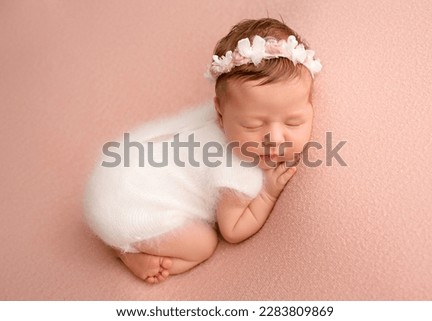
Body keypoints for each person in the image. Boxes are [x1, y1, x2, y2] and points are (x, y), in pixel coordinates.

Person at [84, 17, 321, 284]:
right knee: (204, 244)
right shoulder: (235, 166)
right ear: (220, 114)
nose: (275, 139)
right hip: (129, 209)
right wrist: (267, 193)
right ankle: (125, 251)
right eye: (253, 125)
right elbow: (232, 229)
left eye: (293, 122)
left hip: (114, 176)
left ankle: (124, 241)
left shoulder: (221, 115)